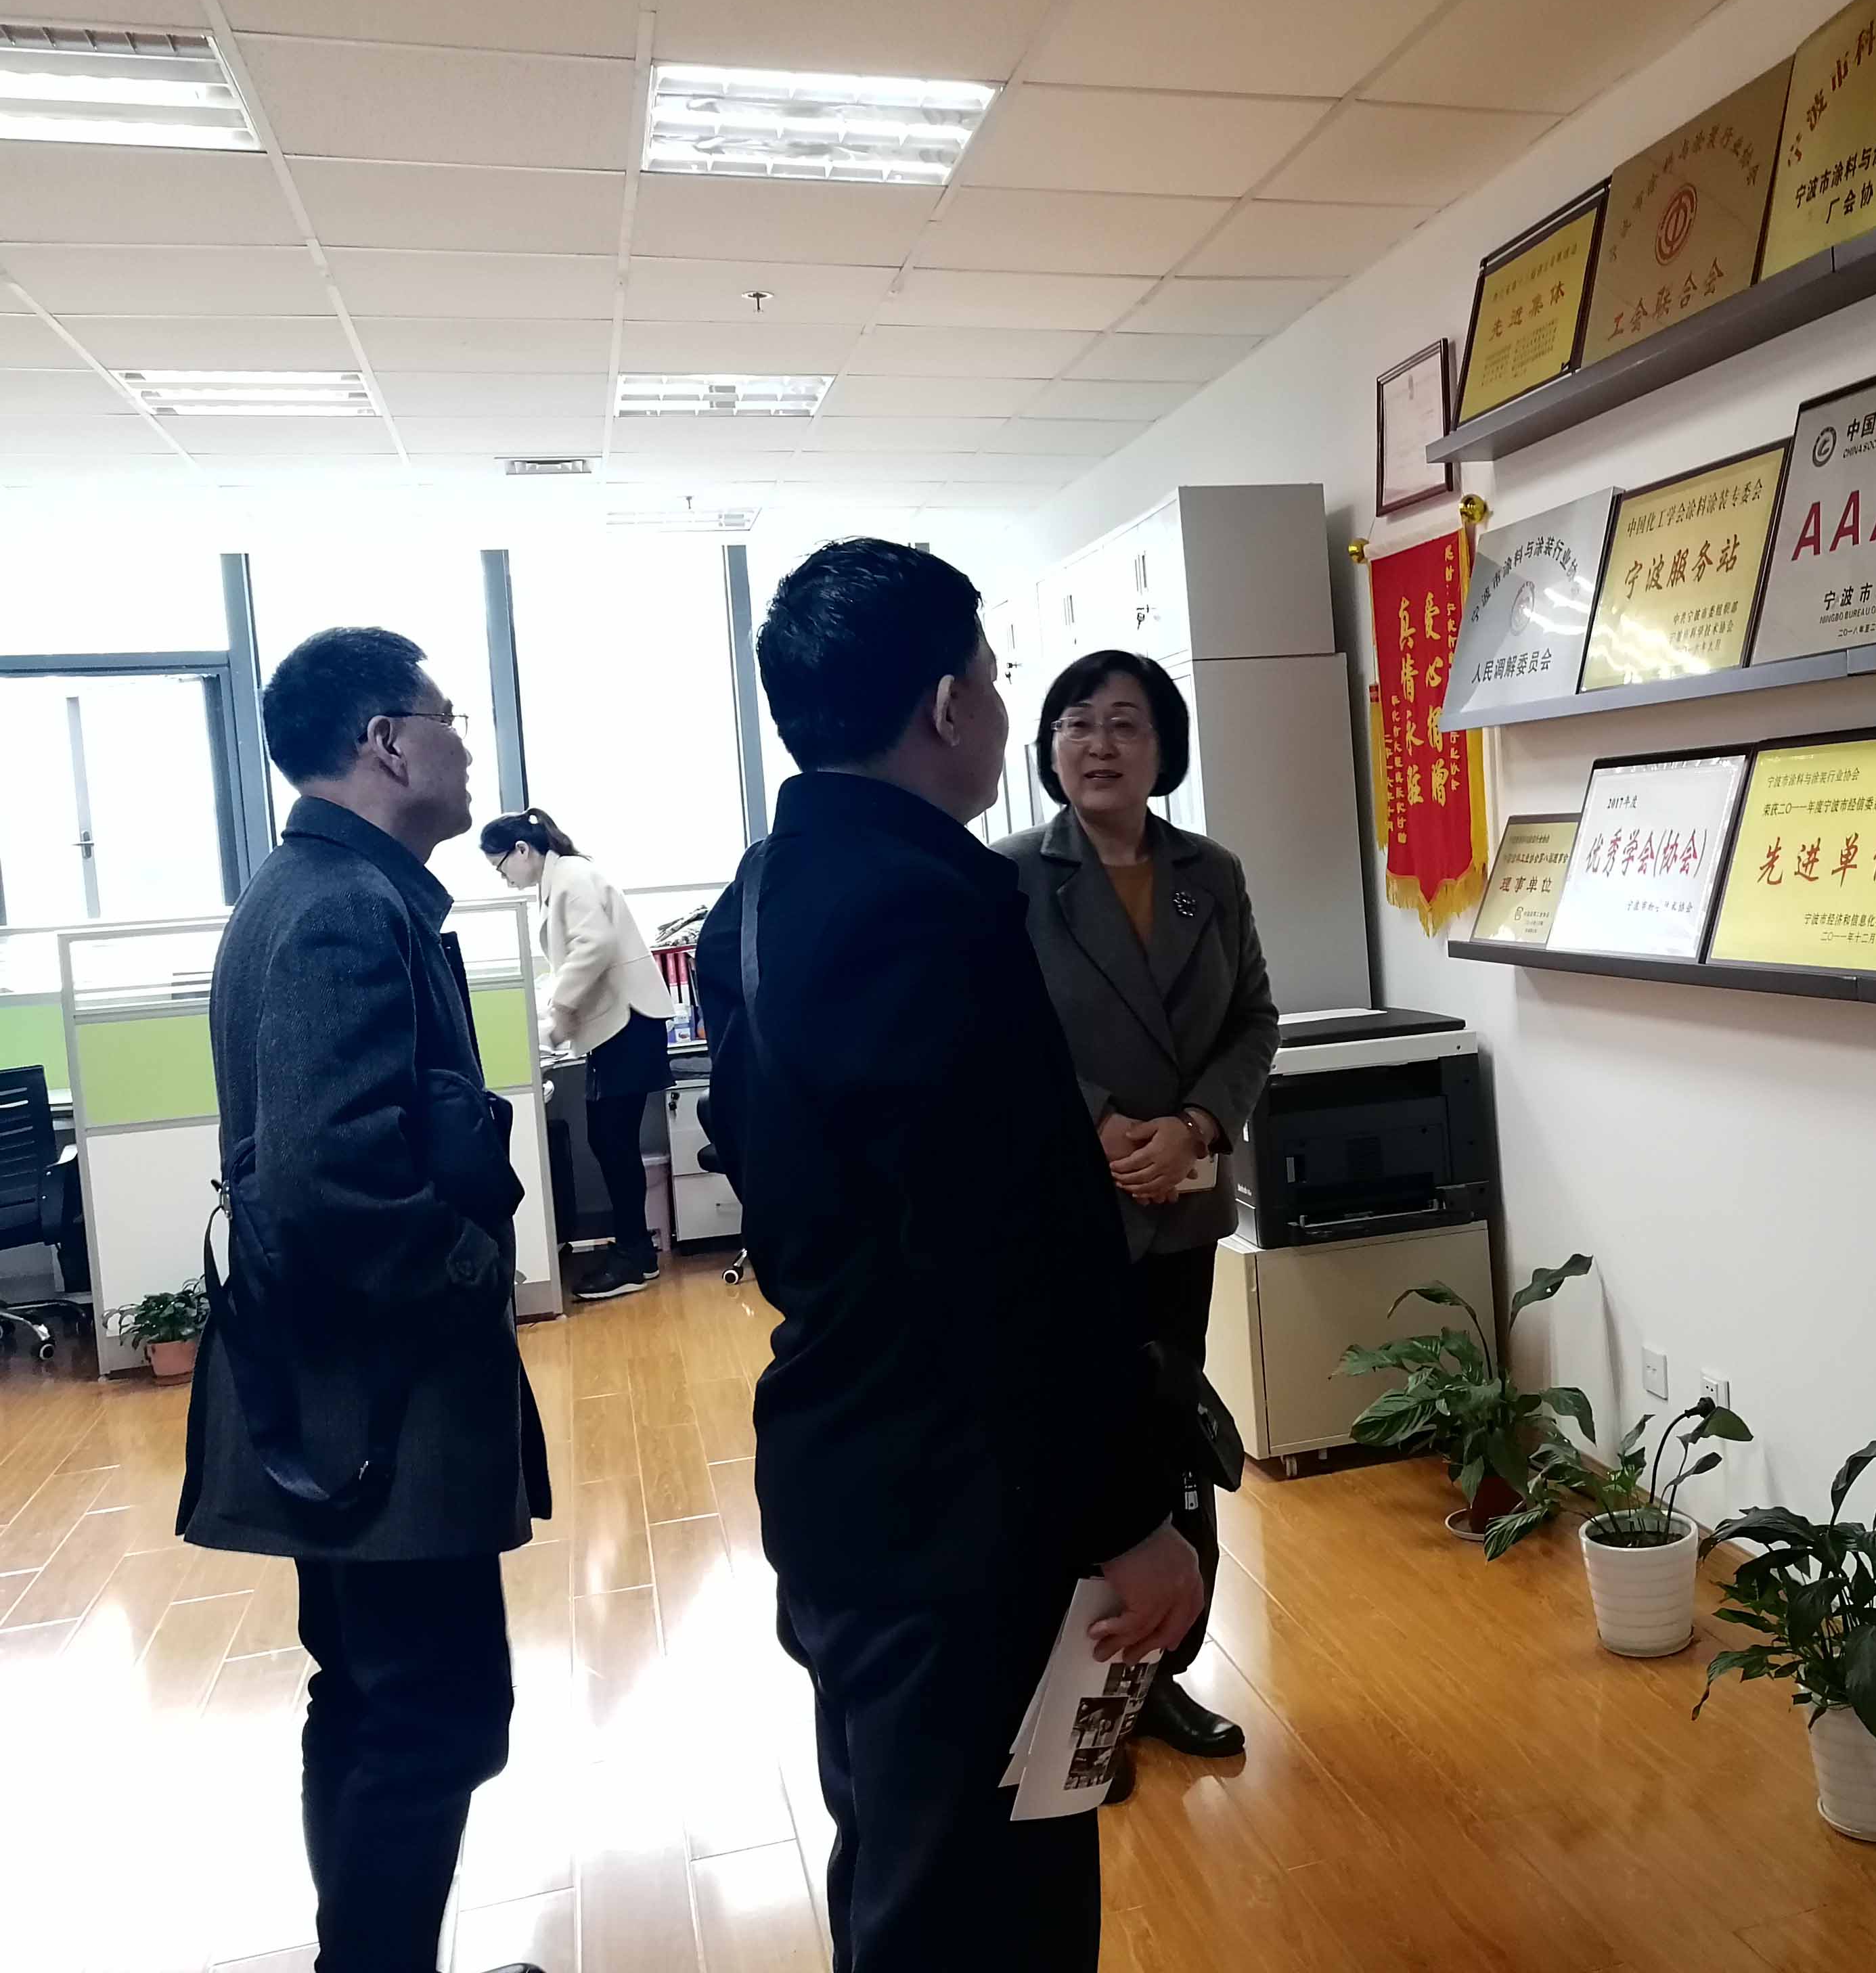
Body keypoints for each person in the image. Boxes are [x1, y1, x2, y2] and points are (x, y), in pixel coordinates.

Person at [691, 539, 1203, 1972]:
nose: (1000, 701)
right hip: (957, 1497)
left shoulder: (765, 891)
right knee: (982, 1907)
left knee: (904, 1866)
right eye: (993, 673)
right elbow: (1002, 1260)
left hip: (846, 1454)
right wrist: (1126, 1514)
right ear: (944, 704)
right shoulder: (920, 910)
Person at [179, 627, 550, 1973]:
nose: (468, 746)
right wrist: (472, 1268)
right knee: (432, 1717)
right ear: (387, 742)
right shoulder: (343, 907)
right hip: (377, 1409)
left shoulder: (324, 887)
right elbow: (325, 1179)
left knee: (375, 1699)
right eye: (449, 718)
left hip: (342, 1403)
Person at [995, 652, 1278, 1796]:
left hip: (1182, 1209)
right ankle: (1069, 1702)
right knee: (1077, 1448)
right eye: (1076, 723)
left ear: (1164, 749)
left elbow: (1254, 1018)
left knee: (1170, 1449)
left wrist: (1198, 1125)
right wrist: (1102, 1124)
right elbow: (996, 1034)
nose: (1098, 745)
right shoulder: (1010, 875)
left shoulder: (1212, 872)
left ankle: (1152, 1677)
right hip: (1073, 1212)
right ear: (1048, 748)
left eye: (1124, 723)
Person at [478, 807, 677, 1302]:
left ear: (522, 850)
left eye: (501, 867)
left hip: (628, 1023)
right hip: (619, 1025)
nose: (504, 879)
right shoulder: (562, 880)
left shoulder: (570, 877)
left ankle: (633, 1256)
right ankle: (637, 1251)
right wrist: (558, 1011)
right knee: (610, 1142)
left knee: (612, 1142)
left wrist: (562, 1008)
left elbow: (596, 945)